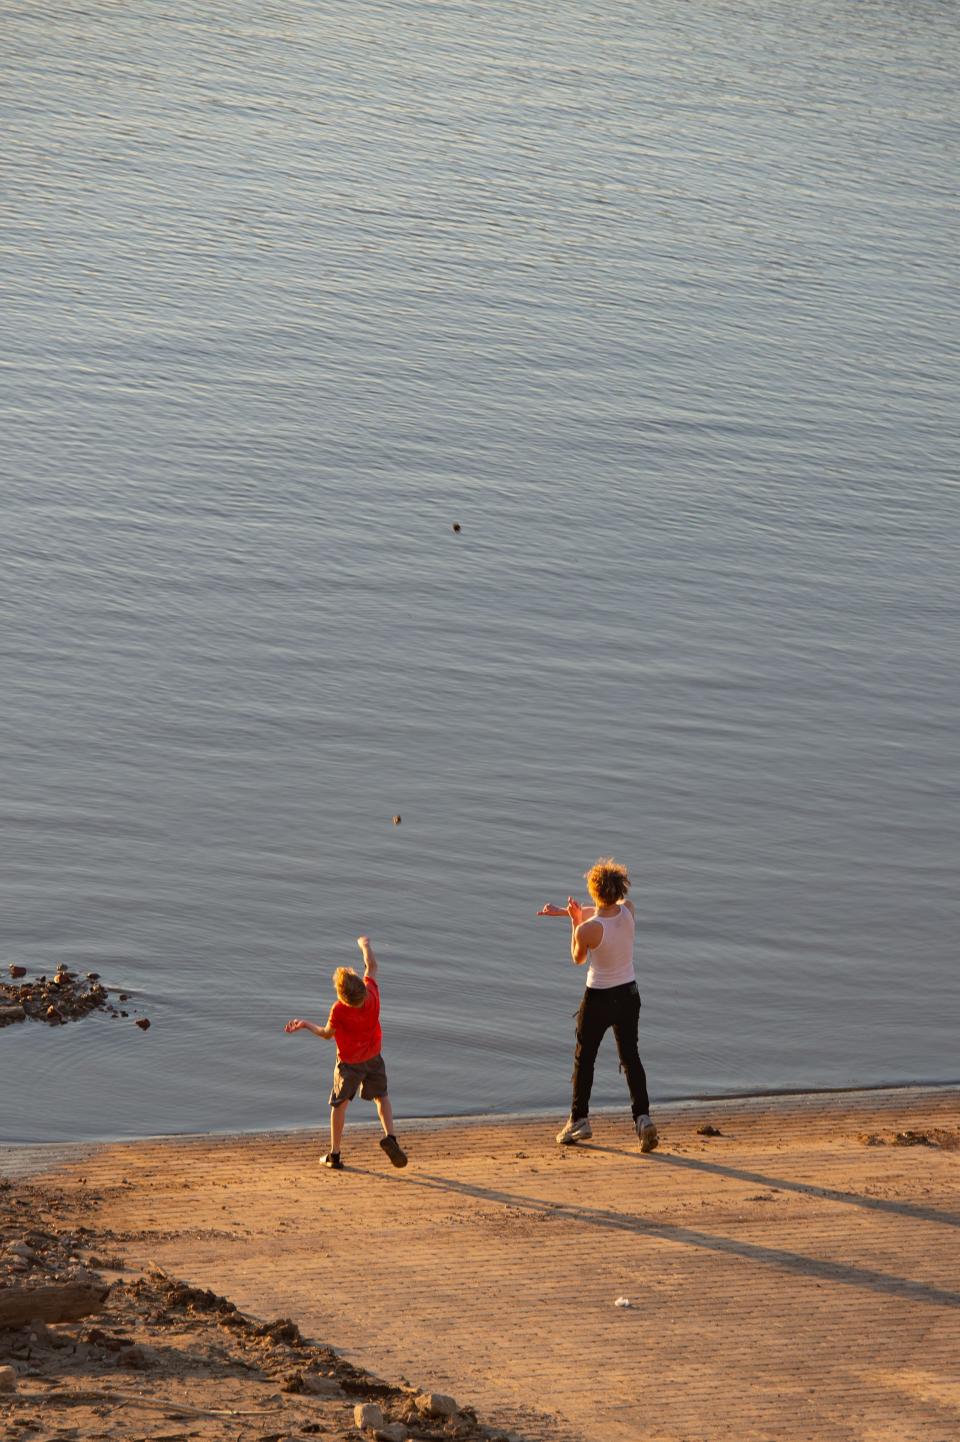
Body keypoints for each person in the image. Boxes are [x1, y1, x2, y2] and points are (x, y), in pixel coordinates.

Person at [539, 858, 658, 1152]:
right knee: (630, 1057)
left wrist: (573, 921)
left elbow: (578, 958)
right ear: (619, 888)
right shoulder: (629, 911)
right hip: (629, 995)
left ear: (594, 891)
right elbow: (606, 911)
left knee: (585, 1058)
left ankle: (579, 1120)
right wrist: (567, 913)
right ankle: (642, 1118)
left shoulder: (587, 930)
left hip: (599, 998)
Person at [285, 935, 408, 1170]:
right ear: (361, 986)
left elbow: (325, 1033)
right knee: (381, 1096)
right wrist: (365, 945)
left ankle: (335, 1155)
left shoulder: (339, 1010)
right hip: (374, 1057)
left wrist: (304, 1024)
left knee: (339, 1105)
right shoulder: (372, 995)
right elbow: (371, 965)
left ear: (342, 996)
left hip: (349, 1064)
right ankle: (390, 1137)